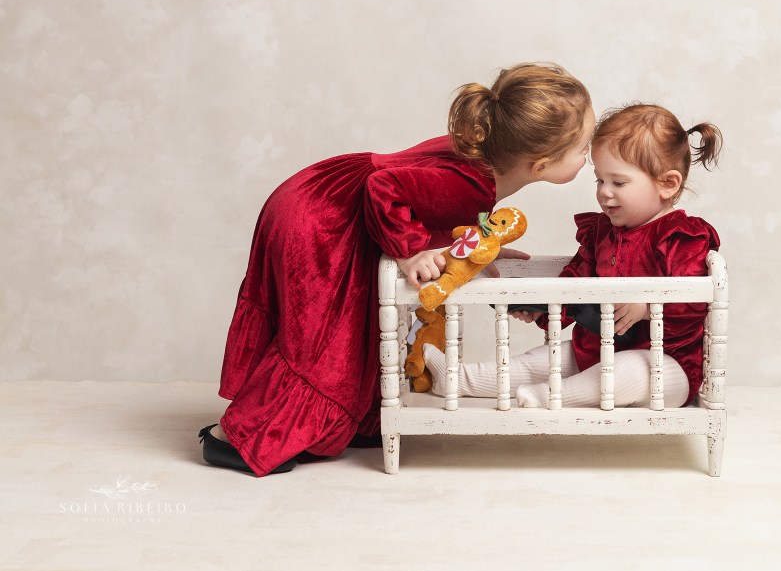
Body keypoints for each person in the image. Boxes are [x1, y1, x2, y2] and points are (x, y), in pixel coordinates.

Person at [199, 63, 595, 476]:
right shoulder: (475, 184)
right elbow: (383, 189)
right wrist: (407, 252)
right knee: (321, 335)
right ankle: (240, 440)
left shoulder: (484, 154)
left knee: (355, 326)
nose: (587, 158)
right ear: (541, 165)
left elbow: (426, 199)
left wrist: (476, 250)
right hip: (322, 216)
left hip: (320, 197)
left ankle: (341, 421)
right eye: (582, 149)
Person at [420, 104, 721, 409]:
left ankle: (552, 395)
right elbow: (575, 282)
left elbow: (695, 301)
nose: (605, 192)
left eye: (618, 182)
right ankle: (459, 379)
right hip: (597, 347)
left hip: (667, 364)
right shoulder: (600, 232)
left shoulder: (682, 236)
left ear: (667, 184)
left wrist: (647, 308)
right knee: (540, 360)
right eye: (600, 180)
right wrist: (545, 309)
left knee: (629, 370)